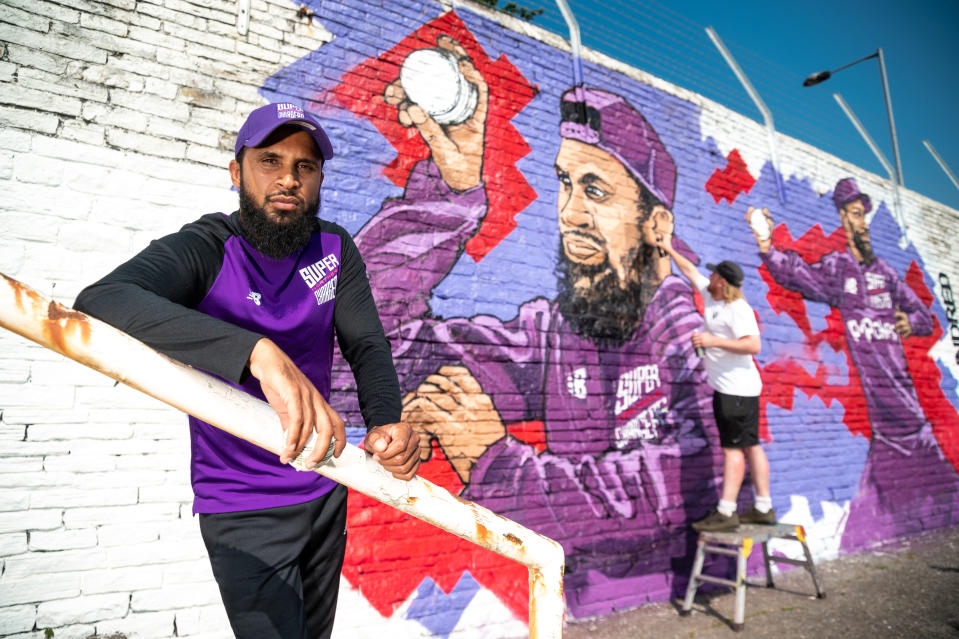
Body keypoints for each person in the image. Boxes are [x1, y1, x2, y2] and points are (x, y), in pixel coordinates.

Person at [332, 36, 720, 616]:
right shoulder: (557, 332)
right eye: (565, 183)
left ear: (655, 224)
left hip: (673, 608)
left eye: (595, 190)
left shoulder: (686, 331)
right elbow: (361, 354)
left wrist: (495, 461)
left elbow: (694, 477)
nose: (569, 213)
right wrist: (448, 193)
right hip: (569, 611)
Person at [74, 102, 421, 639]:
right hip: (242, 505)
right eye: (270, 161)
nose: (288, 178)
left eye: (305, 167)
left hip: (326, 481)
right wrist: (257, 352)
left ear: (319, 179)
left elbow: (367, 343)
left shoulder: (333, 247)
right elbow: (101, 301)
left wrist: (386, 421)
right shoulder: (209, 246)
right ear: (237, 172)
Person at [752, 178, 959, 548]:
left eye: (861, 214)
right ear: (842, 219)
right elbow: (798, 275)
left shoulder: (886, 274)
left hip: (918, 431)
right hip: (884, 440)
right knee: (855, 540)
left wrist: (908, 322)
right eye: (850, 215)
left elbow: (926, 318)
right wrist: (767, 245)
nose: (857, 222)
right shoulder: (838, 269)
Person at [656, 232, 773, 531]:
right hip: (737, 390)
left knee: (734, 450)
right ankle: (763, 507)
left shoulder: (738, 310)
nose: (709, 276)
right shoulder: (712, 297)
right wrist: (668, 248)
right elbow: (690, 271)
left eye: (714, 273)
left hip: (735, 391)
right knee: (750, 446)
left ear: (722, 280)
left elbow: (753, 345)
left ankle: (727, 511)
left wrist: (712, 340)